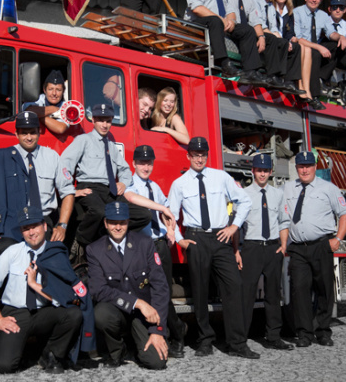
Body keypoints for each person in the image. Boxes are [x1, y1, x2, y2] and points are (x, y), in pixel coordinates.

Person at [167, 136, 259, 359]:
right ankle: (205, 340)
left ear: (207, 155)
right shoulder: (179, 184)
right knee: (199, 292)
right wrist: (179, 239)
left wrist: (233, 227)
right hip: (196, 239)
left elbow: (244, 201)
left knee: (234, 286)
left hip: (220, 238)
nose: (199, 159)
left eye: (203, 155)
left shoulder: (221, 177)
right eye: (195, 155)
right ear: (188, 156)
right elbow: (169, 215)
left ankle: (237, 343)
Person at [0, 208, 86, 374]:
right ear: (21, 232)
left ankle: (51, 354)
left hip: (46, 311)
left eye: (35, 226)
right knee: (4, 366)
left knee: (73, 314)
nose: (31, 232)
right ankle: (21, 350)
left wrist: (35, 285)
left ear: (44, 226)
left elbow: (62, 296)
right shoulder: (12, 252)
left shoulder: (56, 253)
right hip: (17, 313)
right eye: (26, 228)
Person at [0, 111, 76, 262]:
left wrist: (62, 226)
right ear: (16, 134)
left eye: (32, 132)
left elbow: (68, 192)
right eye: (24, 133)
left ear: (39, 133)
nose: (29, 137)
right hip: (15, 223)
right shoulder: (4, 158)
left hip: (43, 223)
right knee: (5, 250)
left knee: (54, 261)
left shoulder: (52, 157)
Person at [87, 201, 169, 369]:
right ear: (105, 223)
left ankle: (138, 342)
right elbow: (98, 290)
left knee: (156, 362)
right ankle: (118, 350)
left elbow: (160, 287)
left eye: (122, 222)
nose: (118, 227)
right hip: (118, 311)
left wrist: (157, 331)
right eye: (113, 222)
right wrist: (137, 303)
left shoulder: (145, 244)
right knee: (101, 314)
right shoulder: (95, 250)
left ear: (128, 222)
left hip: (143, 316)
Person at [282, 151, 346, 348]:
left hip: (321, 245)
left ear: (314, 167)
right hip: (297, 249)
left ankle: (322, 331)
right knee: (299, 291)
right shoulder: (287, 188)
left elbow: (344, 214)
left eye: (308, 166)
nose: (304, 170)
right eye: (301, 166)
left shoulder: (329, 188)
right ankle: (304, 333)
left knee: (324, 290)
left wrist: (337, 239)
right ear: (296, 168)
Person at [124, 145, 186, 358]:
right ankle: (160, 334)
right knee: (143, 293)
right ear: (134, 163)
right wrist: (161, 209)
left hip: (158, 243)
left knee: (163, 292)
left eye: (149, 162)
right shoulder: (129, 183)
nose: (145, 166)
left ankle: (175, 335)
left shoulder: (155, 186)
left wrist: (170, 229)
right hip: (140, 246)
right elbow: (132, 199)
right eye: (141, 162)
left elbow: (168, 209)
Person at [60, 103, 149, 249]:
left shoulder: (112, 147)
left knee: (143, 215)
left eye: (108, 121)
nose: (104, 124)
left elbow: (125, 170)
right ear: (93, 120)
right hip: (88, 188)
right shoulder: (83, 140)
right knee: (99, 211)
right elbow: (64, 165)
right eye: (101, 120)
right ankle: (80, 241)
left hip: (109, 191)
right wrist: (71, 190)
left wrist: (123, 183)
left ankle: (104, 236)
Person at [184, 0, 268, 86]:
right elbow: (197, 8)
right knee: (214, 20)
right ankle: (225, 64)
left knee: (247, 30)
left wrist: (232, 21)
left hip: (219, 25)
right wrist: (221, 19)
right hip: (197, 24)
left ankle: (251, 71)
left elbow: (230, 11)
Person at [238, 154, 293, 350]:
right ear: (253, 171)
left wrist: (283, 245)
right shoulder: (243, 194)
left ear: (271, 172)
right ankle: (240, 339)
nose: (262, 174)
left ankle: (273, 336)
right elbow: (237, 224)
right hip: (251, 248)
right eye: (259, 170)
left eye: (266, 170)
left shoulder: (278, 194)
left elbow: (283, 221)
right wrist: (237, 250)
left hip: (272, 247)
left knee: (273, 294)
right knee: (246, 295)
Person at [238, 0, 303, 94]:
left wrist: (284, 39)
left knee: (293, 46)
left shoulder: (271, 7)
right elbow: (259, 24)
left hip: (268, 33)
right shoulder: (255, 1)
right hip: (256, 33)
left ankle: (289, 81)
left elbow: (273, 27)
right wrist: (277, 36)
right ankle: (273, 75)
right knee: (274, 39)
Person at [293, 0, 346, 110]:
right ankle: (314, 95)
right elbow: (298, 38)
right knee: (315, 53)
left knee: (336, 46)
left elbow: (330, 33)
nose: (314, 0)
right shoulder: (297, 12)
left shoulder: (323, 15)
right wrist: (319, 48)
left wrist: (341, 37)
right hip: (301, 48)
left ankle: (322, 77)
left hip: (314, 49)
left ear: (321, 0)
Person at [271, 0, 317, 105]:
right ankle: (296, 84)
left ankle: (305, 89)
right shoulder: (270, 7)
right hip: (274, 41)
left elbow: (289, 32)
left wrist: (292, 38)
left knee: (305, 48)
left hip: (285, 41)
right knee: (299, 48)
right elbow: (271, 28)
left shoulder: (289, 12)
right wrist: (286, 41)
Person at [23, 70, 69, 135]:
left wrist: (39, 116)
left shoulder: (66, 107)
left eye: (58, 90)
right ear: (44, 90)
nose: (54, 93)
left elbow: (60, 128)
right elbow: (28, 112)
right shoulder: (37, 99)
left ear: (63, 91)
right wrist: (53, 109)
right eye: (50, 89)